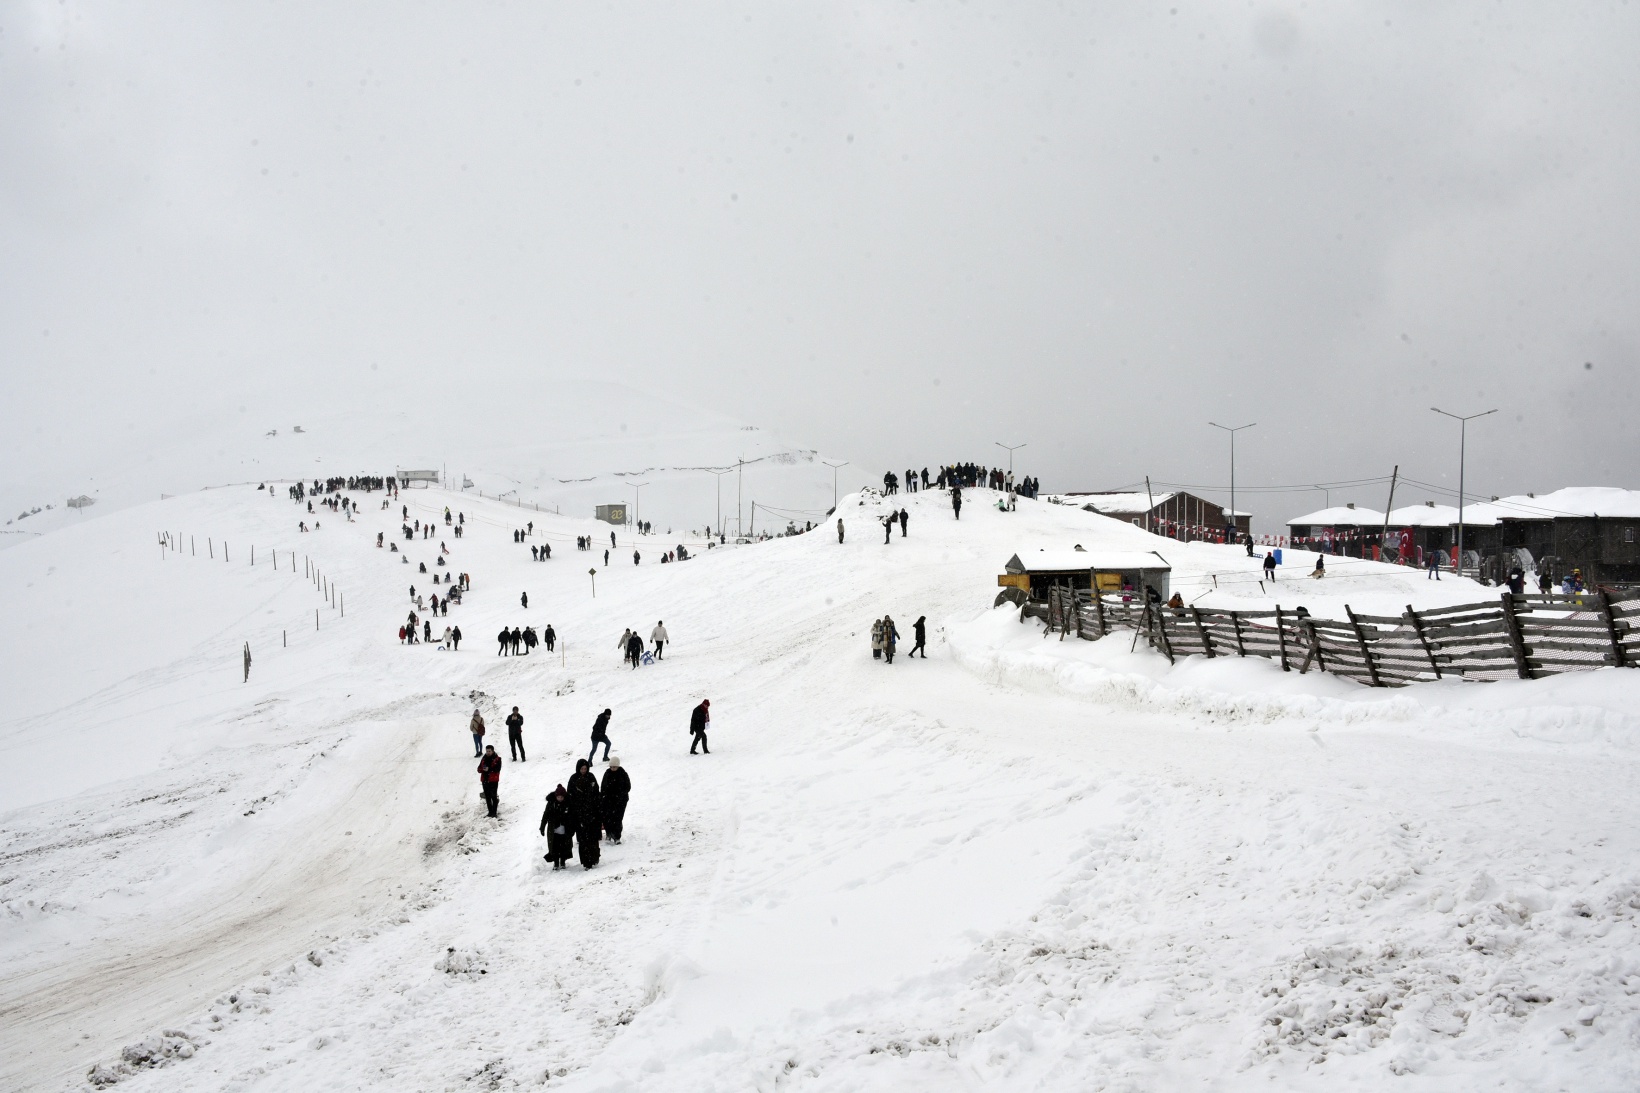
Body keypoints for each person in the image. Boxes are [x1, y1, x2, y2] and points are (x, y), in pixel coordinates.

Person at [567, 760, 601, 868]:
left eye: (585, 769)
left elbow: (596, 792)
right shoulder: (573, 779)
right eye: (582, 769)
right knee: (583, 839)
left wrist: (595, 806)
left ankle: (595, 858)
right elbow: (570, 795)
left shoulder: (591, 777)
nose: (583, 771)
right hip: (579, 814)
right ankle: (586, 862)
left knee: (593, 838)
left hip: (592, 812)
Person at [540, 784, 573, 869]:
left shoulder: (568, 803)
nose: (560, 799)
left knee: (564, 847)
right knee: (554, 848)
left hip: (565, 830)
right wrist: (542, 827)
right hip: (553, 830)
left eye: (561, 797)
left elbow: (573, 816)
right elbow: (546, 815)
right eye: (558, 797)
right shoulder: (551, 803)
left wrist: (573, 828)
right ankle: (555, 863)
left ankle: (562, 862)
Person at [601, 758, 630, 843]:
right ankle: (608, 834)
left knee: (618, 818)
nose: (613, 768)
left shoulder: (623, 774)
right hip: (608, 800)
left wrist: (620, 795)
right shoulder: (607, 773)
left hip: (620, 801)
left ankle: (617, 836)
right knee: (608, 818)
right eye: (611, 767)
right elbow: (603, 786)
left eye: (614, 767)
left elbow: (627, 787)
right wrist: (604, 796)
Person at [477, 745, 502, 818]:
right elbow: (478, 769)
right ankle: (490, 812)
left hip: (493, 780)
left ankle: (494, 812)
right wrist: (482, 769)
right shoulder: (484, 758)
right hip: (485, 780)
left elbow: (497, 769)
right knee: (487, 797)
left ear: (493, 751)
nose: (488, 753)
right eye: (487, 751)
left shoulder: (497, 759)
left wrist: (489, 769)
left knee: (493, 796)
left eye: (489, 751)